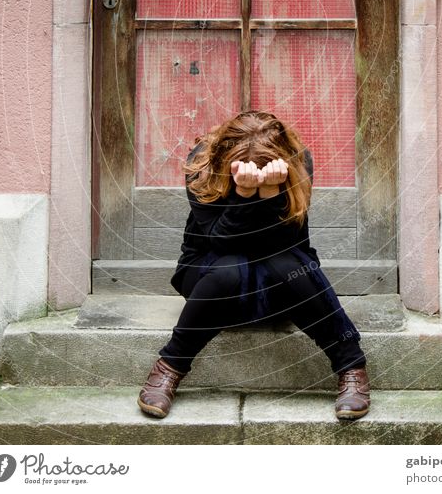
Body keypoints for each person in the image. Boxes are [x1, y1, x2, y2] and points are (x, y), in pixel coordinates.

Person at [137, 109, 370, 421]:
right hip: (210, 269)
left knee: (287, 266)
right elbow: (220, 244)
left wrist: (272, 191)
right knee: (230, 270)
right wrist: (245, 194)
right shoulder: (201, 164)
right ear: (222, 158)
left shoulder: (297, 161)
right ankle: (170, 367)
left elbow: (284, 245)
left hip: (280, 269)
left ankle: (351, 365)